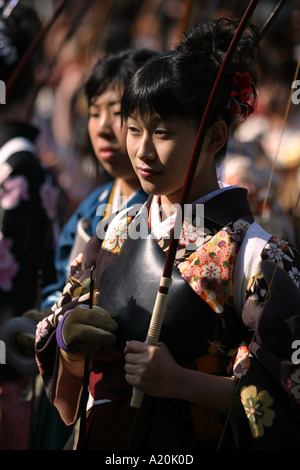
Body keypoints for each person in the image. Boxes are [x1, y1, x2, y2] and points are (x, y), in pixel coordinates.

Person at [35, 18, 300, 450]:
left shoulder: (257, 255)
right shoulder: (117, 228)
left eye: (162, 132)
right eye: (134, 129)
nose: (142, 151)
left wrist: (180, 382)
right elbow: (66, 361)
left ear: (215, 136)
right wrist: (69, 342)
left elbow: (287, 392)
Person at [29, 48, 158, 449]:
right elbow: (57, 282)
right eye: (93, 111)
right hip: (64, 378)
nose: (103, 127)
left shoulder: (166, 213)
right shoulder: (93, 206)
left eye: (118, 112)